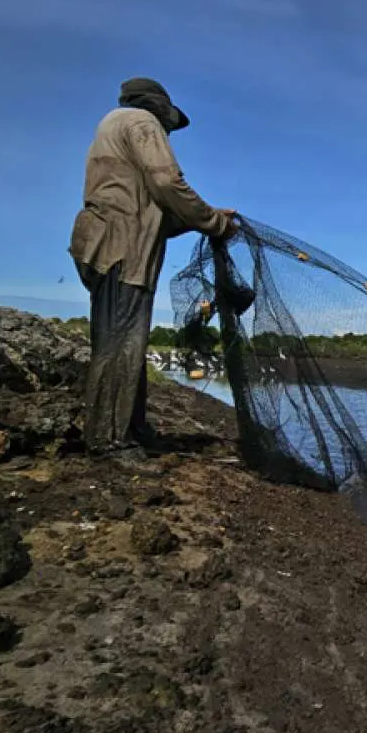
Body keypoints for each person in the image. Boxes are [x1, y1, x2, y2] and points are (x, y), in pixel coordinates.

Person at [69, 77, 237, 456]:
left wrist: (207, 216)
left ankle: (131, 428)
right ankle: (110, 442)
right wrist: (215, 224)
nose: (169, 132)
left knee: (123, 339)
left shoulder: (112, 126)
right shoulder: (142, 123)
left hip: (104, 244)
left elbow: (151, 209)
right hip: (122, 248)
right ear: (158, 107)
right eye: (169, 124)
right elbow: (166, 182)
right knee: (121, 341)